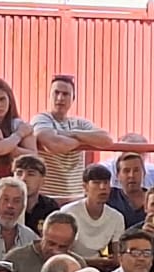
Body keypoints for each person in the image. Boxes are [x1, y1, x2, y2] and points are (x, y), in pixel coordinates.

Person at [31, 73, 115, 207]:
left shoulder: (79, 123)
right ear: (49, 96)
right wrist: (84, 140)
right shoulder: (42, 119)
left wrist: (72, 134)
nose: (60, 98)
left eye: (65, 94)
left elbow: (107, 139)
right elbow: (55, 144)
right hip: (47, 198)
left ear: (73, 99)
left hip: (76, 198)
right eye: (56, 93)